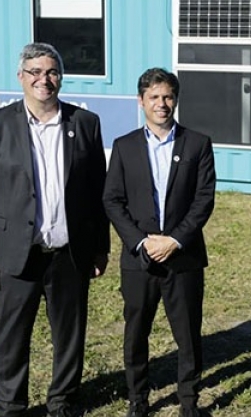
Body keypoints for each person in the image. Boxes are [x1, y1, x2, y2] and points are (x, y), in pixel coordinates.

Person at [0, 42, 110, 417]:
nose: (43, 80)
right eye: (35, 72)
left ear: (60, 78)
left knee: (70, 335)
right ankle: (12, 406)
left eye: (50, 72)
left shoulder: (84, 123)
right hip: (16, 253)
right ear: (21, 78)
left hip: (69, 252)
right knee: (12, 337)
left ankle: (63, 401)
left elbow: (99, 192)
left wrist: (100, 247)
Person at [102, 68, 216, 417]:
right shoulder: (124, 146)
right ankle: (138, 399)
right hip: (140, 260)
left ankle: (189, 401)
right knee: (137, 333)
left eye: (167, 96)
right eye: (154, 97)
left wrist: (176, 240)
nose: (161, 104)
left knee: (187, 334)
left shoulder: (197, 144)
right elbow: (112, 200)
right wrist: (140, 242)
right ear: (141, 102)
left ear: (175, 99)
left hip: (183, 258)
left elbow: (204, 199)